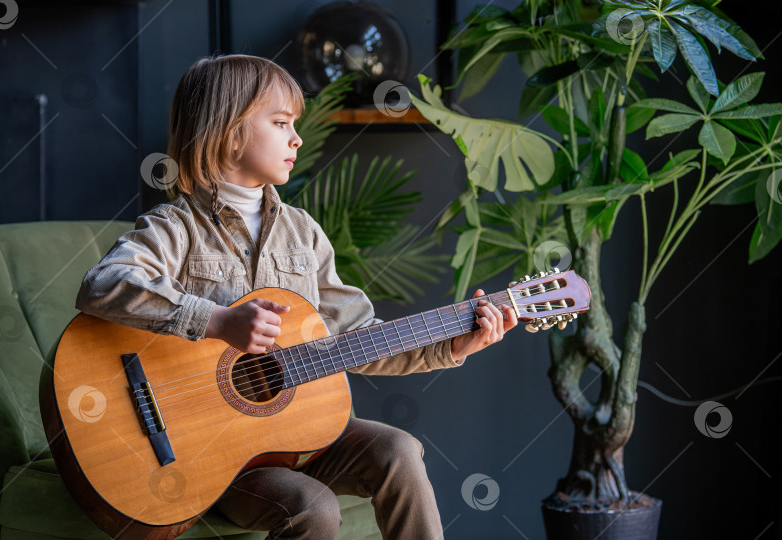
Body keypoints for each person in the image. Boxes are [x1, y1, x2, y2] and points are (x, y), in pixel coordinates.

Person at [75, 54, 517, 540]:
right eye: (282, 123)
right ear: (231, 131)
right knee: (313, 506)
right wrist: (216, 320)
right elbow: (102, 284)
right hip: (215, 458)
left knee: (400, 450)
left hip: (298, 437)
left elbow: (358, 336)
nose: (297, 139)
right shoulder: (177, 227)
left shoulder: (302, 233)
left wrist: (451, 347)